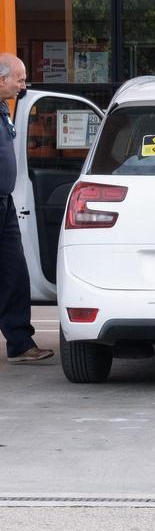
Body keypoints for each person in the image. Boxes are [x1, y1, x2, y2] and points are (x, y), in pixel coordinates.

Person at [0, 54, 53, 364]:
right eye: (19, 80)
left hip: (4, 201)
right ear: (1, 79)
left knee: (14, 271)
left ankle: (20, 343)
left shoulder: (3, 109)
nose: (23, 86)